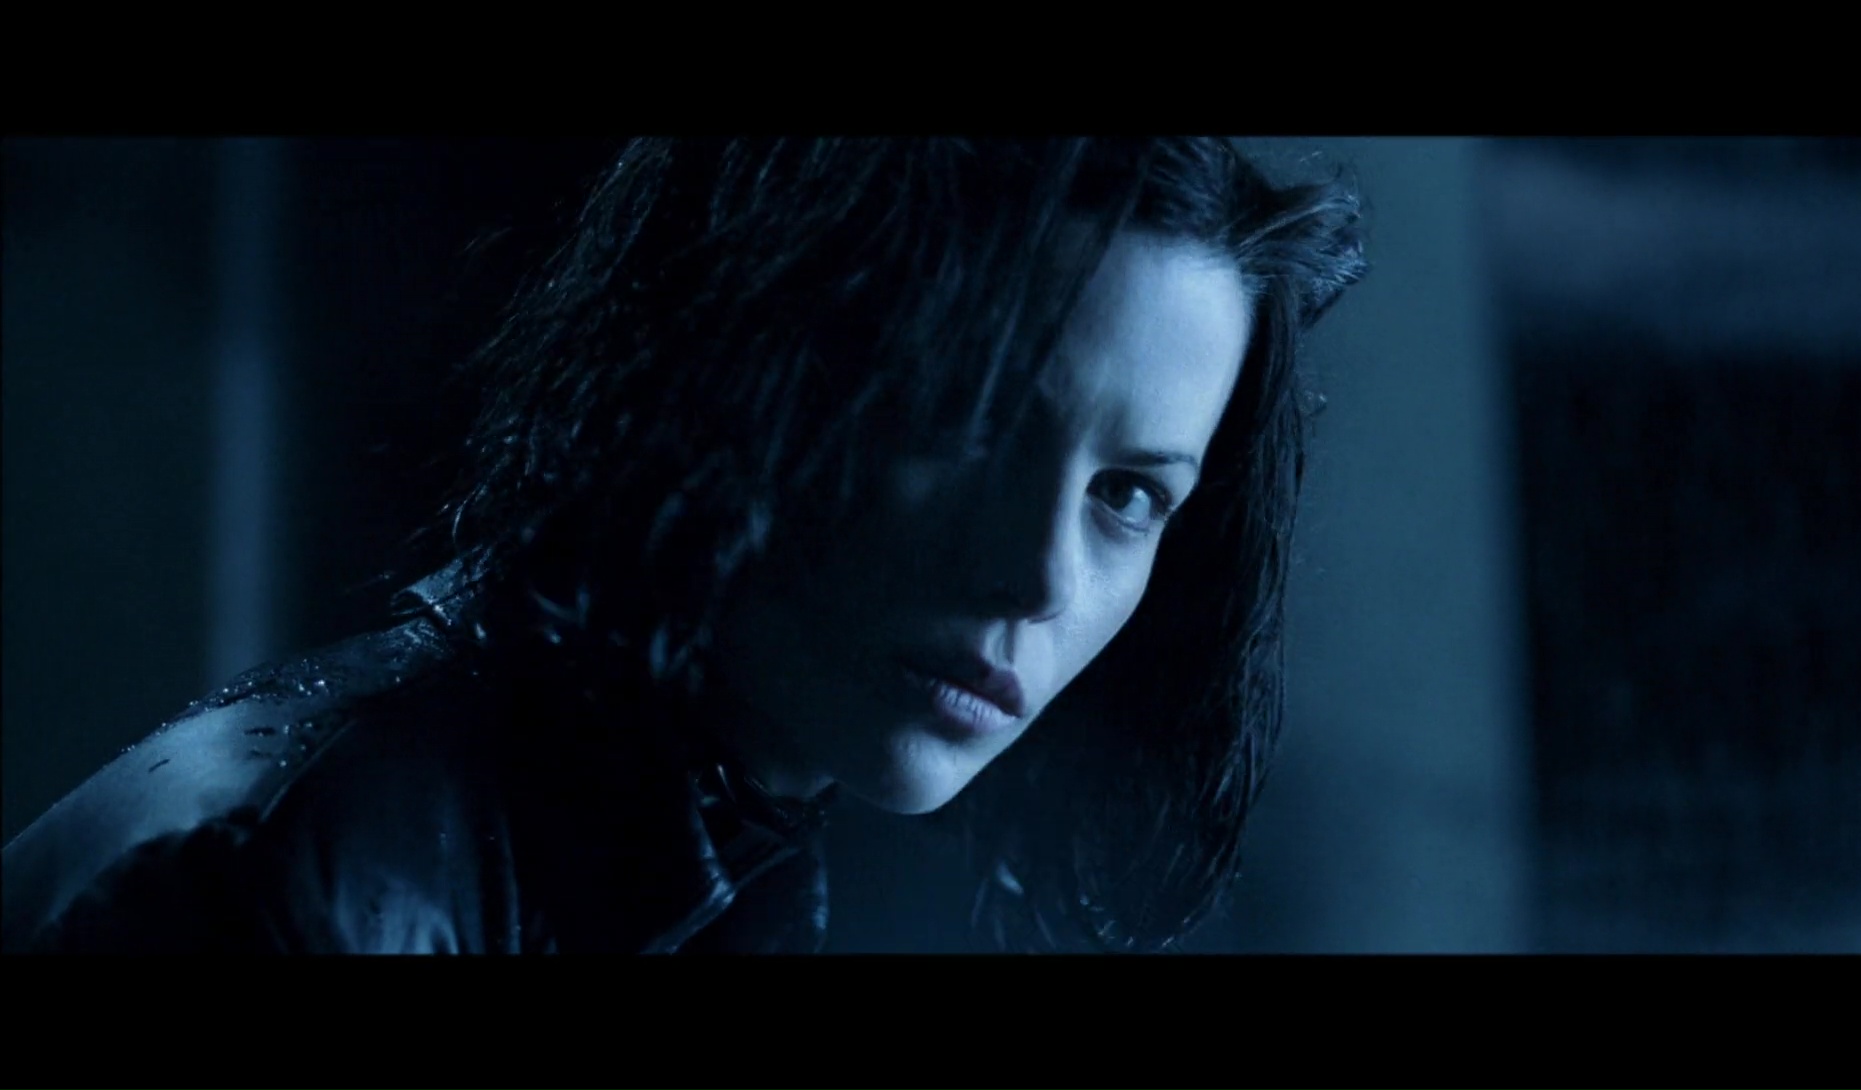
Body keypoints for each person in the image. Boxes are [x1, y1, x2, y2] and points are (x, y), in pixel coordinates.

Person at [1, 138, 1367, 954]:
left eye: (1128, 495)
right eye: (969, 420)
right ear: (763, 357)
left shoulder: (717, 842)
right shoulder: (325, 873)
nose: (1045, 577)